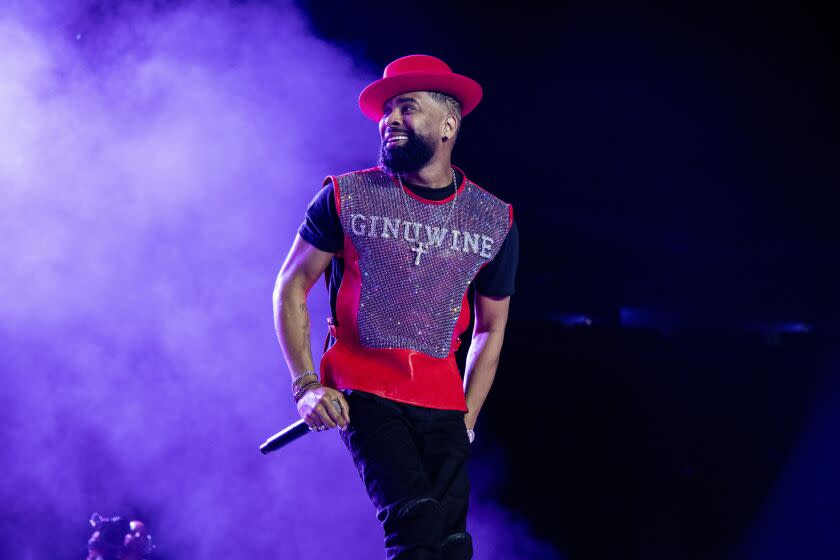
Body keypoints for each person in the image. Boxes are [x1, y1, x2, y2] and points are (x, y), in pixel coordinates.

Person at [273, 54, 518, 559]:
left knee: (452, 546)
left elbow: (492, 329)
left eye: (406, 108)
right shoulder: (347, 196)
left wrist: (466, 417)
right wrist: (305, 386)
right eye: (387, 111)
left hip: (443, 401)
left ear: (448, 124)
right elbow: (291, 286)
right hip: (364, 390)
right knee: (416, 525)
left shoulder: (494, 220)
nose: (390, 120)